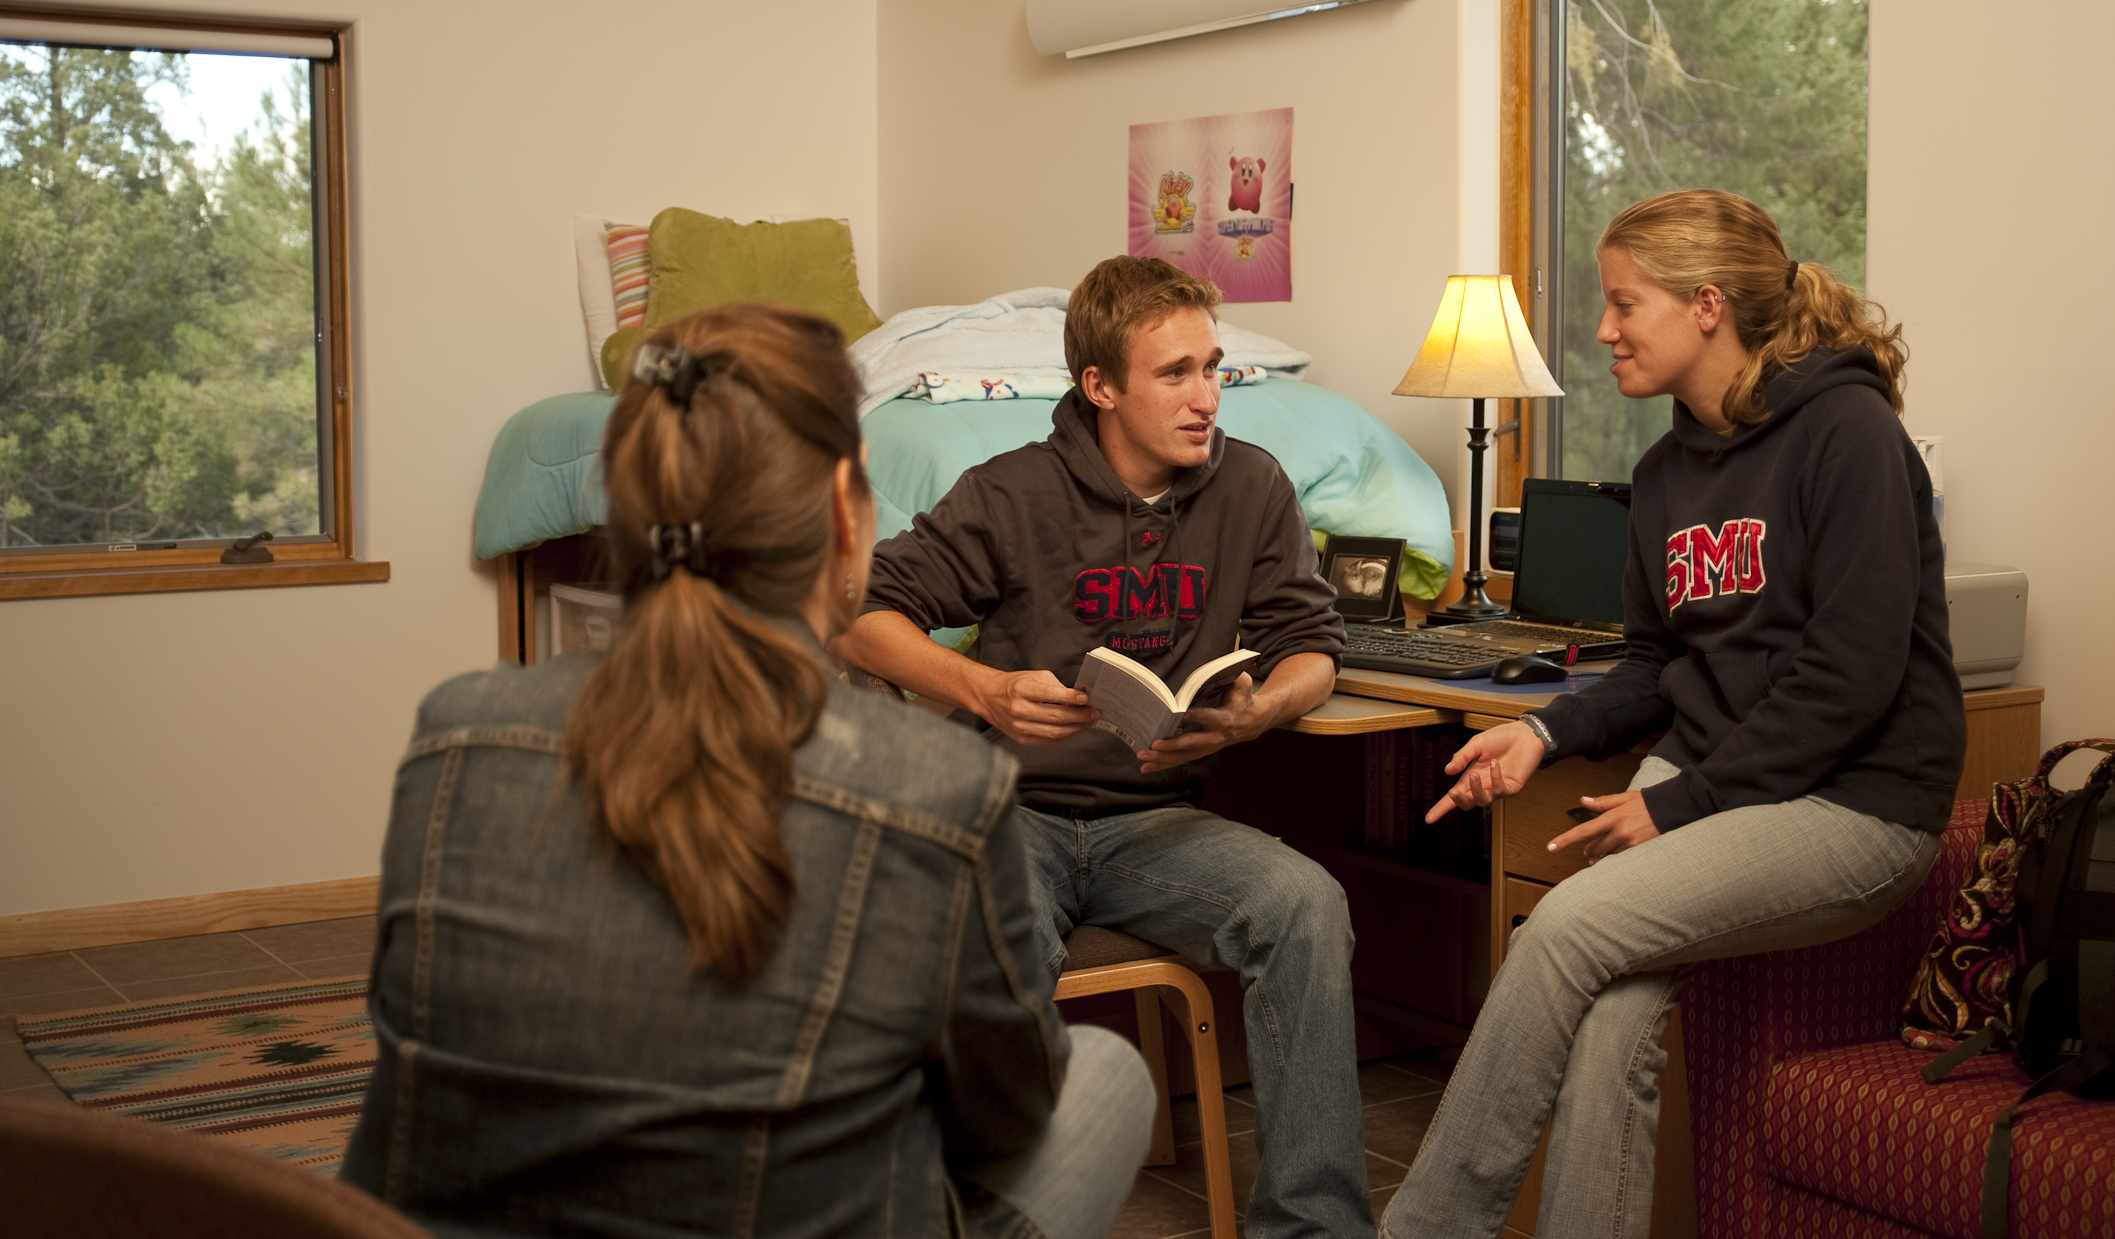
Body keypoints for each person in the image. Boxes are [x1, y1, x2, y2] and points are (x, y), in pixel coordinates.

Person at [342, 304, 1153, 1239]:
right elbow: (1001, 1117)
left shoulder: (456, 732)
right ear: (849, 511)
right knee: (1102, 1075)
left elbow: (414, 1050)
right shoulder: (934, 785)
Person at [1381, 190, 1962, 1239]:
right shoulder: (1660, 473)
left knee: (1558, 929)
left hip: (1856, 805)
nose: (1601, 332)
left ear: (1704, 306)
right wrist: (1545, 732)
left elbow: (1852, 675)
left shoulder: (1849, 434)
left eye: (1621, 305)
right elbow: (1653, 665)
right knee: (1609, 1012)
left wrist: (1681, 804)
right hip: (1713, 777)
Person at [833, 255, 1371, 1239]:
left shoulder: (1251, 485)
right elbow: (858, 611)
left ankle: (1315, 1229)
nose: (1206, 397)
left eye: (1213, 369)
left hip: (1156, 826)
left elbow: (1314, 650)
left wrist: (1261, 712)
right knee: (994, 940)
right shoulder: (1010, 493)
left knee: (1305, 907)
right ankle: (978, 1219)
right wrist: (982, 689)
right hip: (1011, 813)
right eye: (1175, 374)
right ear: (1100, 387)